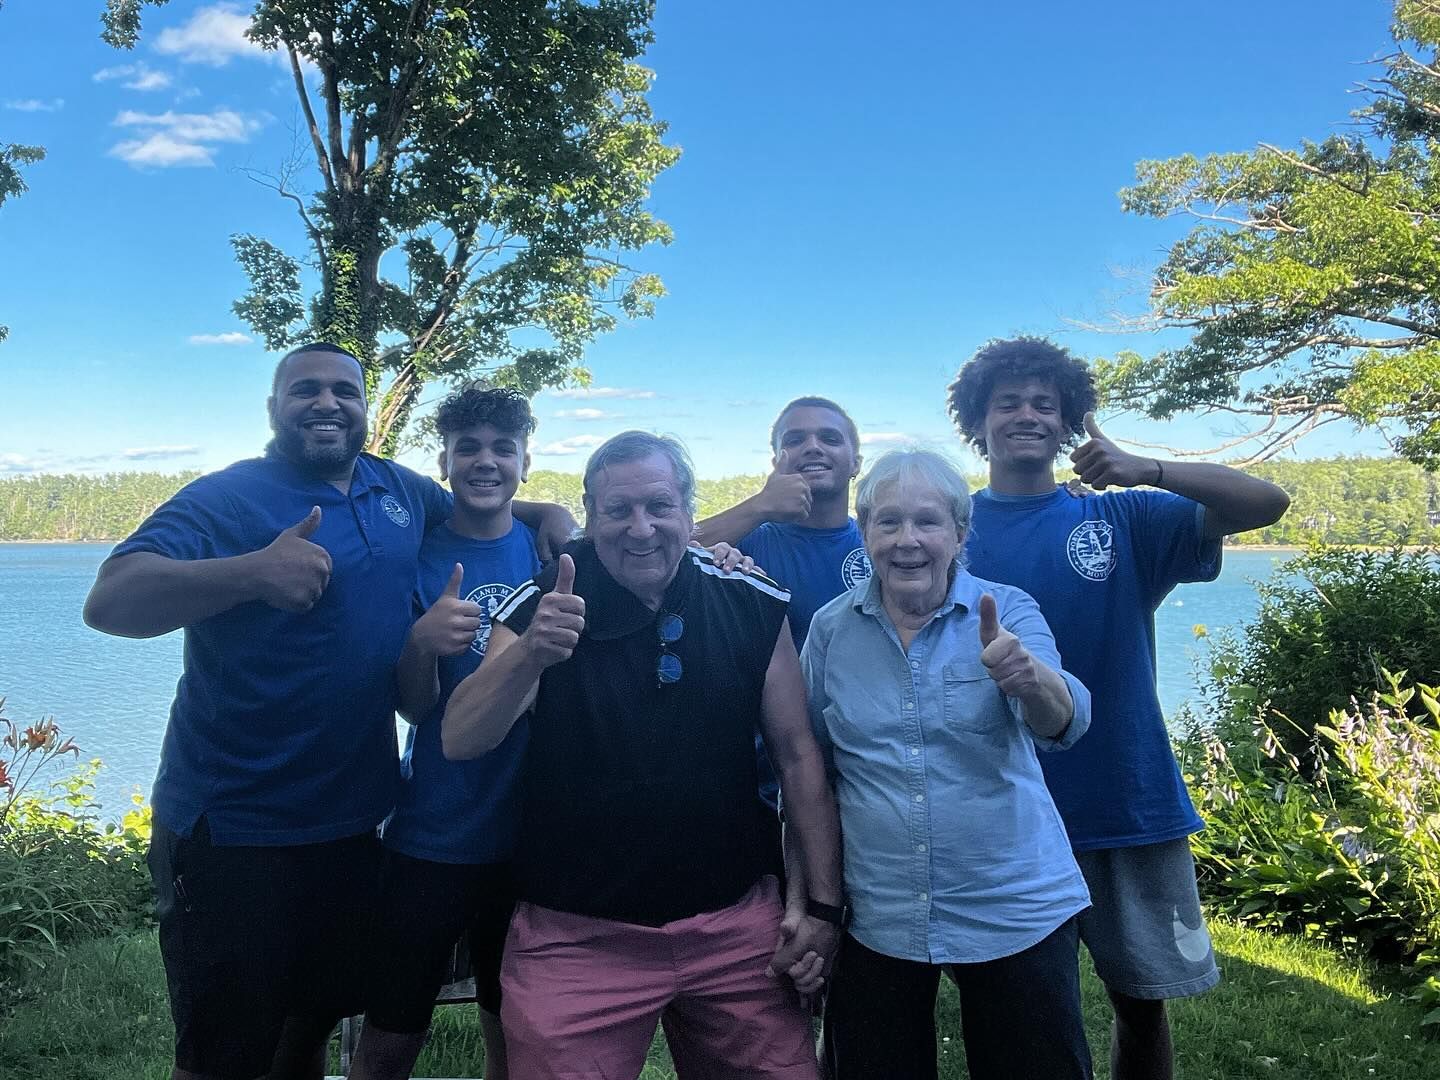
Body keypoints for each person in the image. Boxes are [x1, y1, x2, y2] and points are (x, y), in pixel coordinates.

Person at [82, 345, 574, 1080]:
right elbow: (110, 600)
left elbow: (487, 497)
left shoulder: (397, 490)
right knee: (223, 1053)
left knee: (306, 1027)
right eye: (303, 389)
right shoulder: (230, 497)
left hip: (353, 824)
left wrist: (554, 513)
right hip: (235, 828)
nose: (325, 402)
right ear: (274, 408)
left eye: (344, 390)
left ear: (365, 409)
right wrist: (252, 573)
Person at [442, 431, 843, 1080]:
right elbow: (462, 736)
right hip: (575, 934)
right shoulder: (549, 599)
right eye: (617, 511)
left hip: (734, 927)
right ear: (591, 515)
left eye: (659, 506)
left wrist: (822, 908)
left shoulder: (750, 599)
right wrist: (530, 655)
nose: (641, 528)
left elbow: (798, 757)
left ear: (689, 511)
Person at [947, 337, 1291, 1080]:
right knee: (1025, 1009)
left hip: (1124, 796)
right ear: (979, 420)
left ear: (1070, 420)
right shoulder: (950, 529)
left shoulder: (1127, 518)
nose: (1028, 415)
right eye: (1008, 402)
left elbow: (1268, 503)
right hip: (1001, 808)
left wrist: (1152, 469)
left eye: (1046, 402)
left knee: (1142, 1003)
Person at [803, 449, 1094, 1080]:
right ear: (865, 532)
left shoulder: (1006, 610)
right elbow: (813, 773)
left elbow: (1066, 721)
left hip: (1014, 906)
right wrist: (811, 902)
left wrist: (1029, 679)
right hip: (880, 913)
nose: (908, 541)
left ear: (960, 533)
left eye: (927, 522)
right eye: (888, 522)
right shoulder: (829, 630)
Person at [348, 386, 544, 1080]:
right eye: (469, 448)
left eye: (501, 448)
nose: (485, 462)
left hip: (529, 840)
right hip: (432, 830)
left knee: (512, 1028)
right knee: (394, 1027)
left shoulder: (548, 548)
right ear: (445, 460)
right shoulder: (419, 557)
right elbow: (414, 706)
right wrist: (421, 642)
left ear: (525, 458)